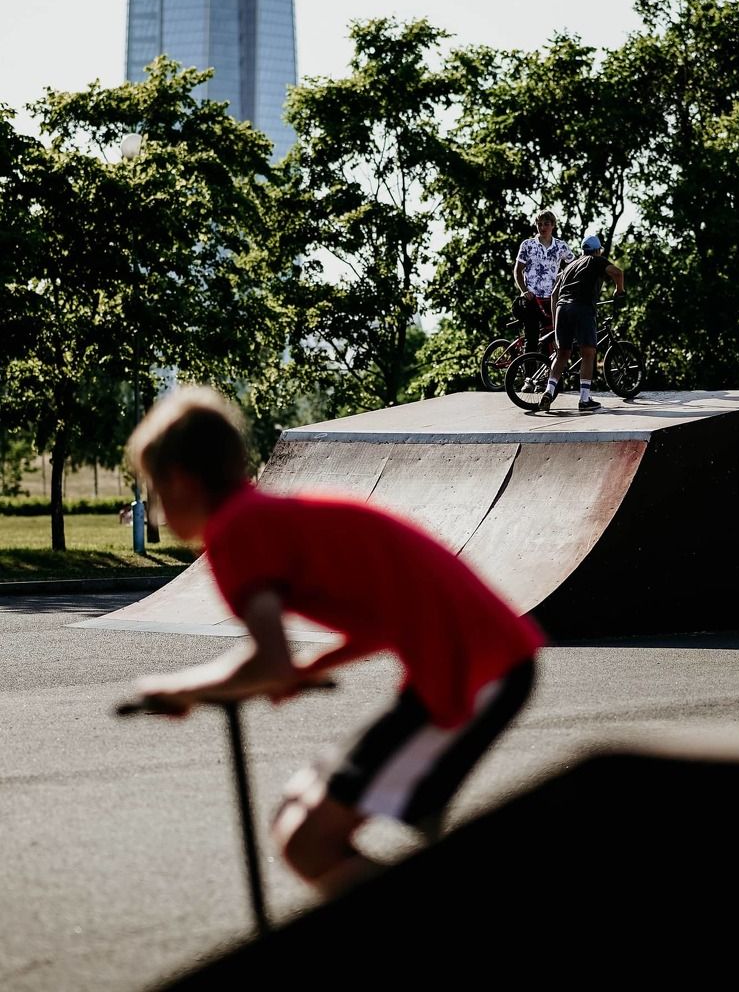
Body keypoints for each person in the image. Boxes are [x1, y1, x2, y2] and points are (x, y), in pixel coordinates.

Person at [124, 387, 545, 898]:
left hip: (476, 672)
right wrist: (308, 666)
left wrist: (178, 687)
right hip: (467, 662)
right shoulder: (261, 518)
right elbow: (375, 624)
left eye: (152, 489)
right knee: (295, 813)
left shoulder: (237, 530)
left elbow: (268, 660)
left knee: (308, 841)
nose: (156, 509)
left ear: (180, 481)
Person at [538, 234, 626, 413]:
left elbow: (554, 294)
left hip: (562, 308)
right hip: (582, 307)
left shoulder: (570, 265)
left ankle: (548, 392)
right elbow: (618, 272)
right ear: (598, 250)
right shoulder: (596, 260)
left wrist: (556, 324)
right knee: (588, 353)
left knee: (562, 353)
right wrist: (619, 290)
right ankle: (584, 400)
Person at [513, 210, 575, 392]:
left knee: (553, 339)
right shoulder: (528, 245)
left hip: (553, 298)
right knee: (532, 338)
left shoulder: (561, 247)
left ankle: (549, 379)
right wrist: (524, 291)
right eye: (539, 224)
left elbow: (573, 266)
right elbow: (518, 270)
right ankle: (528, 378)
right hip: (532, 298)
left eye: (546, 224)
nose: (542, 227)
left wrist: (564, 278)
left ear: (553, 226)